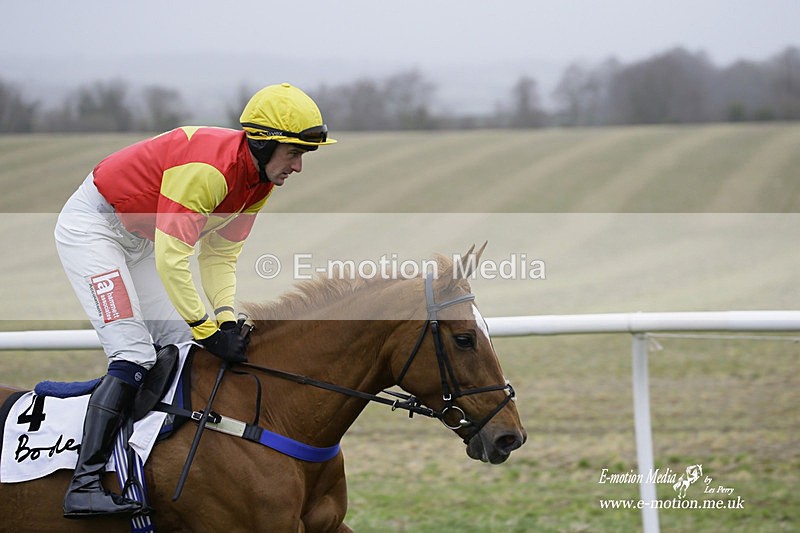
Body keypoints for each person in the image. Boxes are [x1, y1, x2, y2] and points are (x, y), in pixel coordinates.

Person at [54, 83, 336, 518]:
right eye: (293, 153)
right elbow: (173, 259)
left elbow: (220, 255)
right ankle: (84, 483)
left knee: (184, 348)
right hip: (94, 230)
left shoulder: (258, 184)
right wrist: (208, 329)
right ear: (263, 143)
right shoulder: (209, 171)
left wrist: (224, 320)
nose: (298, 166)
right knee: (133, 354)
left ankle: (157, 458)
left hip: (142, 240)